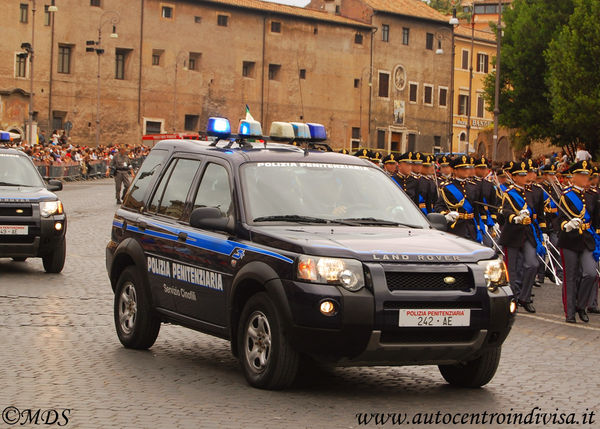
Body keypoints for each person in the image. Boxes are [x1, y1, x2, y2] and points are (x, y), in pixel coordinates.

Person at [498, 161, 546, 313]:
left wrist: (542, 232)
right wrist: (515, 217)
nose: (525, 177)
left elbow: (538, 213)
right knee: (512, 269)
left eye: (526, 174)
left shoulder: (533, 192)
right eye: (521, 175)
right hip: (513, 233)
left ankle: (524, 297)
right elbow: (504, 212)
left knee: (532, 264)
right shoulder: (508, 193)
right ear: (513, 177)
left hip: (528, 233)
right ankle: (513, 298)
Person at [558, 161, 600, 323]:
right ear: (574, 177)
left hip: (587, 239)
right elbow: (559, 220)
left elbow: (596, 220)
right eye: (581, 175)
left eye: (586, 175)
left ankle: (581, 306)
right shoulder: (566, 195)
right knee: (571, 277)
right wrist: (567, 225)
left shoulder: (593, 195)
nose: (585, 178)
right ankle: (570, 312)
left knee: (590, 273)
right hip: (569, 240)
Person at [434, 155, 483, 243]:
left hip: (471, 226)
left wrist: (479, 225)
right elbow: (438, 206)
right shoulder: (447, 187)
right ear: (455, 170)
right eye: (462, 169)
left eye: (467, 168)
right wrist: (446, 215)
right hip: (456, 226)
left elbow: (477, 208)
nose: (466, 171)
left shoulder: (473, 187)